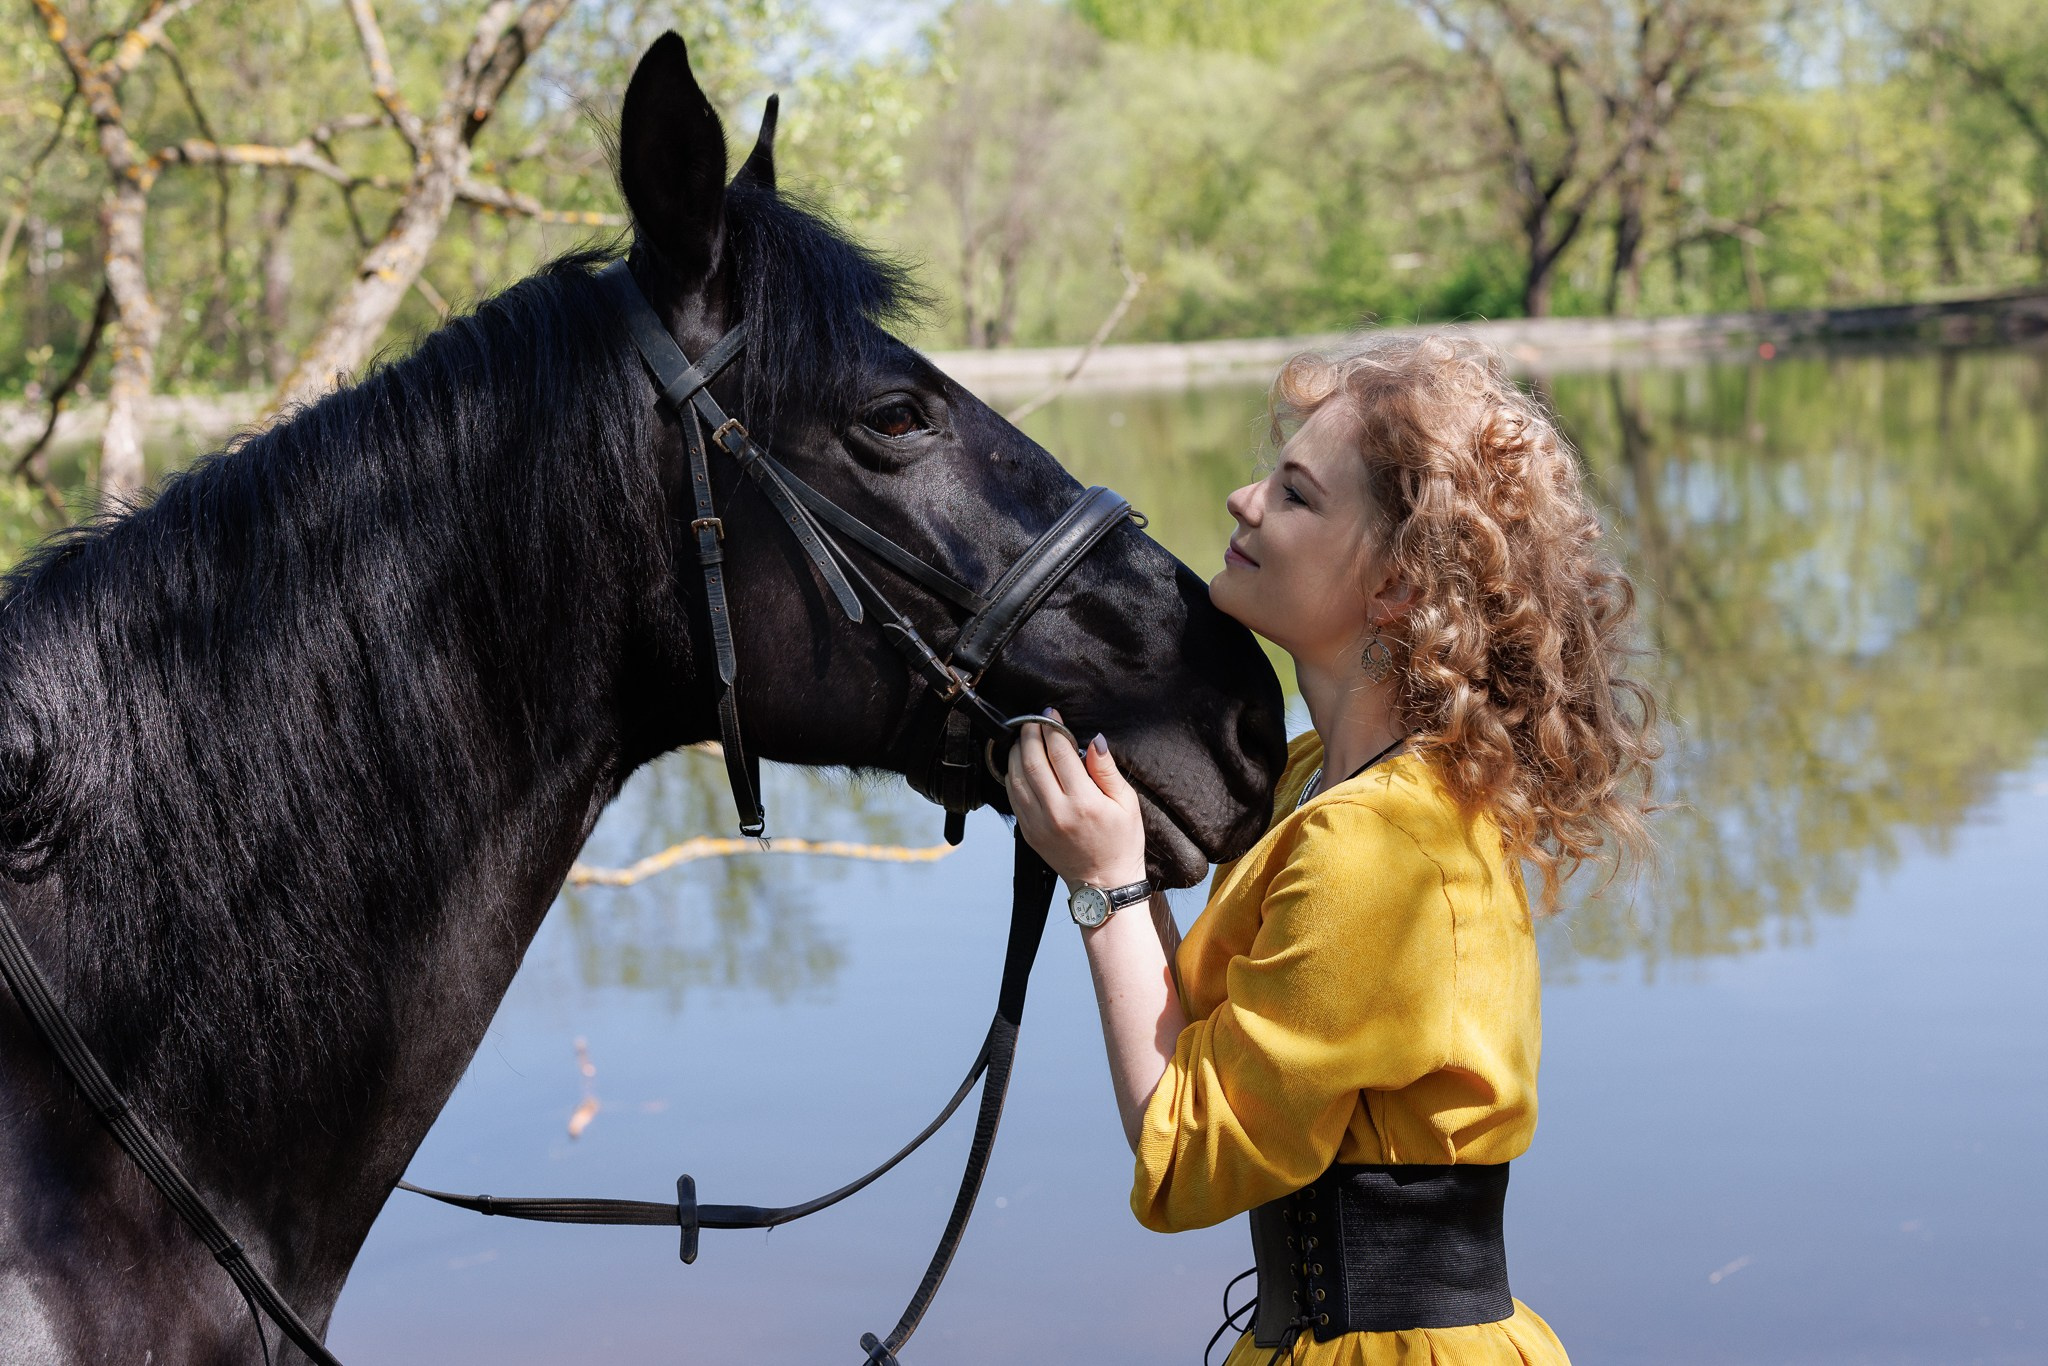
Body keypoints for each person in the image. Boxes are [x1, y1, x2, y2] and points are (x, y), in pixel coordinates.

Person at [1007, 334, 1659, 1365]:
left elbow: (1186, 1159)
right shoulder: (1318, 777)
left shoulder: (1378, 845)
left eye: (1295, 495)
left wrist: (1104, 885)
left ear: (1397, 587)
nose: (1240, 499)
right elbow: (1216, 1044)